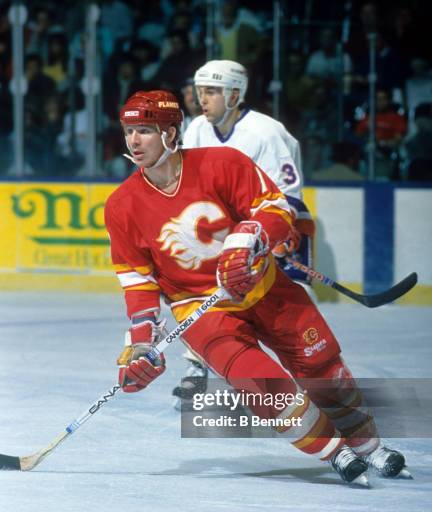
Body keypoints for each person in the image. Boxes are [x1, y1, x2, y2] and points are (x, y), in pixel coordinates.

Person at [104, 89, 409, 485]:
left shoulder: (223, 163)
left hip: (266, 287)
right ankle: (335, 452)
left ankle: (369, 446)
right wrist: (143, 342)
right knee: (267, 388)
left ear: (171, 132)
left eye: (145, 130)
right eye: (129, 131)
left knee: (326, 370)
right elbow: (137, 279)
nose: (134, 141)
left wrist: (251, 236)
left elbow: (277, 208)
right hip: (202, 311)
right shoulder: (122, 204)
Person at [178, 59, 315, 406]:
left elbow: (289, 197)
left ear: (235, 94)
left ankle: (310, 374)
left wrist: (278, 238)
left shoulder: (265, 133)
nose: (201, 98)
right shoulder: (195, 129)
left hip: (278, 223)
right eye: (200, 90)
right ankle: (197, 365)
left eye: (211, 91)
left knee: (285, 307)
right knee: (197, 286)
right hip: (226, 228)